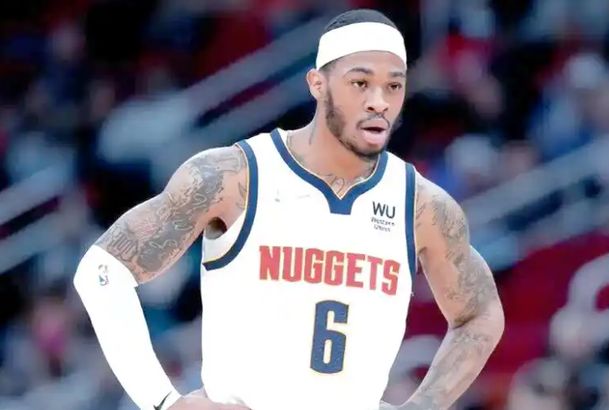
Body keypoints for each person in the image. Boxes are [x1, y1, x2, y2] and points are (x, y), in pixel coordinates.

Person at [73, 9, 504, 410]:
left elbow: (480, 315)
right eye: (360, 83)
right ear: (317, 84)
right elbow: (102, 270)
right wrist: (164, 400)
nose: (379, 101)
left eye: (393, 85)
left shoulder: (421, 205)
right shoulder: (234, 176)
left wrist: (423, 404)